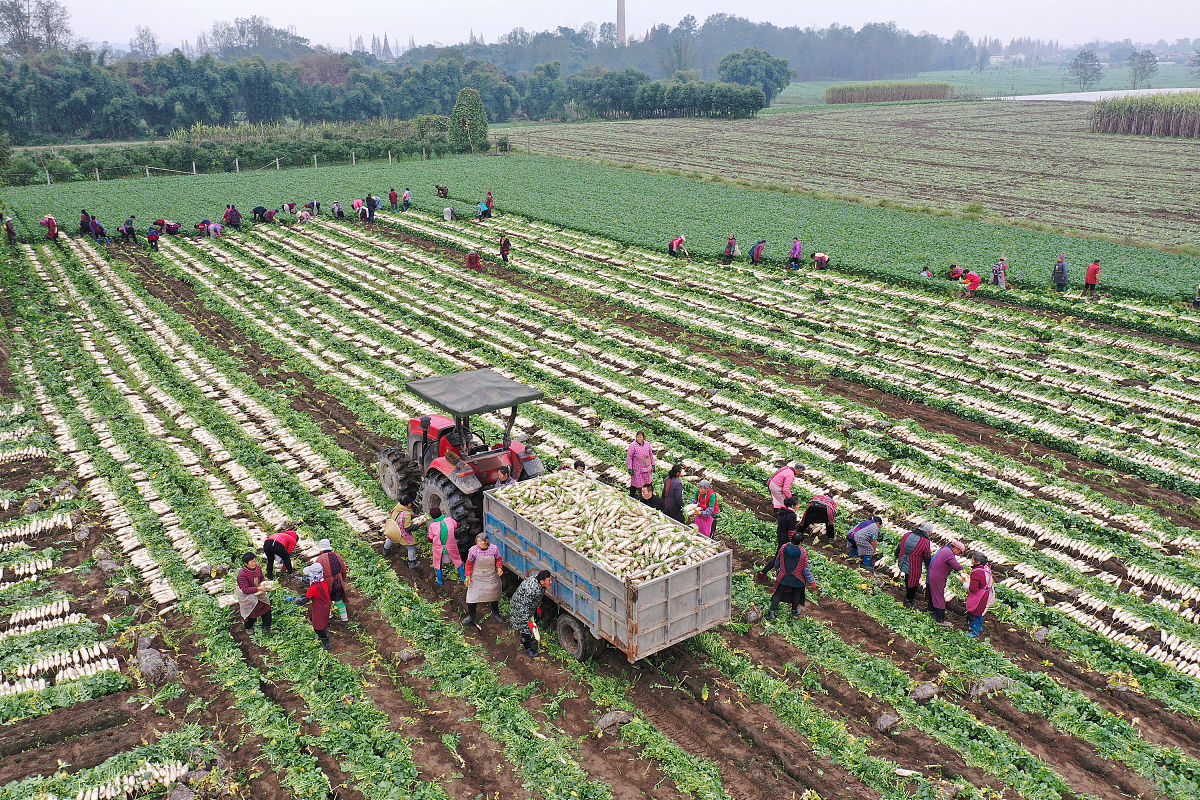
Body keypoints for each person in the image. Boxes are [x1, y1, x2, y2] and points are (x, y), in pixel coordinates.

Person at [767, 531, 817, 619]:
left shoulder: (783, 547)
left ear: (791, 539)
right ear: (801, 543)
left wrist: (776, 569)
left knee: (777, 593)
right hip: (797, 579)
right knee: (796, 593)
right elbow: (805, 569)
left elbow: (777, 561)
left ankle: (772, 613)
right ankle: (794, 610)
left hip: (783, 577)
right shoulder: (803, 552)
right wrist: (812, 581)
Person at [463, 533, 505, 625]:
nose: (478, 543)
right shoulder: (473, 550)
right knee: (473, 597)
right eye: (477, 541)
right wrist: (468, 576)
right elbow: (469, 564)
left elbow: (498, 559)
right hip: (477, 576)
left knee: (494, 596)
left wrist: (499, 568)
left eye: (481, 541)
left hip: (491, 576)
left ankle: (496, 613)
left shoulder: (494, 549)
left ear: (486, 541)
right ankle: (471, 616)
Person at [288, 563, 332, 649]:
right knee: (316, 619)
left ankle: (326, 644)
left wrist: (292, 599)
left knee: (318, 627)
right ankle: (325, 633)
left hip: (320, 608)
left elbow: (303, 600)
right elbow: (311, 580)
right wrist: (302, 579)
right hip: (325, 605)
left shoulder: (314, 588)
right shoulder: (322, 580)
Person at [509, 569, 552, 657]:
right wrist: (528, 621)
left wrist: (537, 607)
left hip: (528, 606)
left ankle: (527, 637)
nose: (551, 582)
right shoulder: (532, 590)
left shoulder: (537, 580)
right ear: (542, 581)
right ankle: (527, 647)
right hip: (520, 607)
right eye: (549, 580)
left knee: (534, 620)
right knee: (526, 627)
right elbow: (524, 607)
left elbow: (533, 600)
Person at [756, 495, 799, 581]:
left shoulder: (783, 512)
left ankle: (766, 574)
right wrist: (793, 542)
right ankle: (764, 574)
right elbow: (791, 531)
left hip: (781, 537)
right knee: (780, 558)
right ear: (793, 506)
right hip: (786, 540)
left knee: (781, 557)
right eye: (798, 504)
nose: (799, 506)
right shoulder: (792, 515)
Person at [927, 539, 966, 626]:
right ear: (955, 548)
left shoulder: (944, 549)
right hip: (937, 576)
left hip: (932, 574)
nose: (958, 554)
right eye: (959, 552)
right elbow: (956, 566)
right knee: (939, 596)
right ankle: (940, 620)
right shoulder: (949, 553)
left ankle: (930, 609)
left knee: (933, 593)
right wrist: (964, 571)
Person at [895, 523, 933, 608]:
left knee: (907, 577)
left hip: (903, 560)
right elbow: (927, 556)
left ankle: (908, 595)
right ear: (927, 531)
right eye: (930, 532)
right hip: (914, 565)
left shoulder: (907, 534)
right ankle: (909, 600)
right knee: (914, 581)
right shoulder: (925, 541)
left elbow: (899, 546)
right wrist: (928, 567)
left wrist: (896, 555)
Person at [235, 552, 272, 635]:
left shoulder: (258, 568)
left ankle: (266, 628)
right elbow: (245, 589)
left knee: (267, 609)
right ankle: (248, 627)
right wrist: (258, 588)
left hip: (259, 593)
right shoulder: (242, 575)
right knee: (252, 613)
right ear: (246, 563)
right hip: (248, 596)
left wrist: (264, 583)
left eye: (255, 561)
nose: (254, 563)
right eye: (252, 562)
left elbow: (262, 577)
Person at [427, 504, 464, 585]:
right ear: (441, 513)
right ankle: (463, 578)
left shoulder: (432, 526)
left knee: (437, 563)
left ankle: (440, 581)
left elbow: (430, 538)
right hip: (451, 546)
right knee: (457, 560)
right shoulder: (449, 520)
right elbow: (457, 525)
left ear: (432, 517)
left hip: (438, 548)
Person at [315, 539, 349, 623]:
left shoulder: (320, 559)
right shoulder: (338, 556)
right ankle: (344, 619)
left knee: (326, 601)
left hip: (327, 584)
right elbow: (344, 570)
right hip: (338, 582)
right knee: (339, 600)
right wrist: (343, 579)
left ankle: (329, 617)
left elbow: (317, 573)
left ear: (321, 550)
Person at [383, 493, 419, 569]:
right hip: (401, 533)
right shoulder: (406, 514)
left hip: (393, 529)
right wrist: (417, 526)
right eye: (410, 503)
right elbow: (407, 528)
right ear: (406, 505)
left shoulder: (397, 507)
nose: (411, 505)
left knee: (390, 539)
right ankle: (412, 564)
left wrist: (413, 515)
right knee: (411, 548)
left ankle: (385, 551)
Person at [964, 552, 995, 638]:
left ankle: (975, 632)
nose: (971, 560)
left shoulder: (977, 573)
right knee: (979, 611)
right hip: (985, 594)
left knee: (973, 613)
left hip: (978, 596)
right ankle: (980, 627)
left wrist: (965, 584)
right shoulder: (986, 567)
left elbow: (973, 589)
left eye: (973, 559)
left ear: (978, 562)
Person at [626, 431, 655, 498]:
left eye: (640, 437)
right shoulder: (632, 446)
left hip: (647, 468)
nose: (639, 438)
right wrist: (630, 468)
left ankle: (649, 496)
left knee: (648, 483)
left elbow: (651, 454)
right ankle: (632, 496)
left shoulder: (647, 444)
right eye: (638, 437)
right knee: (635, 484)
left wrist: (653, 464)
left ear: (643, 438)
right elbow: (629, 458)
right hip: (637, 469)